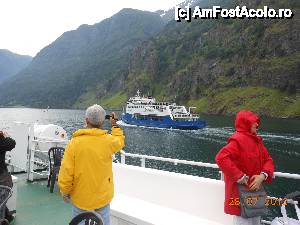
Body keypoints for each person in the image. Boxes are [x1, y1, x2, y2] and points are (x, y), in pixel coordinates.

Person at [58, 105, 125, 225]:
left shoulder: (74, 143)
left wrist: (65, 191)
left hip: (80, 197)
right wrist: (114, 125)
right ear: (102, 121)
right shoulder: (108, 141)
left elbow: (66, 171)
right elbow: (119, 141)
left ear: (87, 120)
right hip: (102, 197)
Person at [215, 110, 274, 225]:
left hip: (255, 191)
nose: (257, 124)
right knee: (243, 221)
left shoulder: (257, 141)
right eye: (253, 122)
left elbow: (268, 160)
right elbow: (221, 158)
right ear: (246, 123)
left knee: (256, 220)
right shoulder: (237, 140)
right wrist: (239, 176)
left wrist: (263, 176)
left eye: (256, 122)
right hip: (240, 193)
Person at [0, 131, 16, 222]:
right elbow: (12, 143)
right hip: (3, 179)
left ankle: (7, 216)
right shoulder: (2, 141)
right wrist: (6, 136)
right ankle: (5, 217)